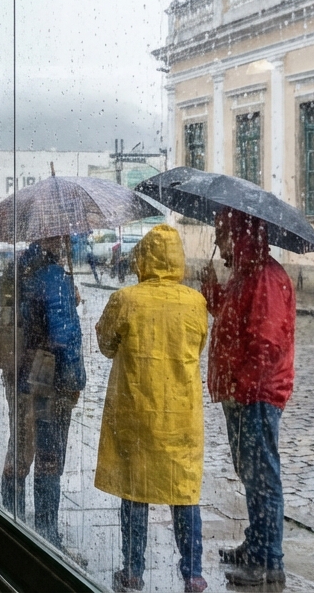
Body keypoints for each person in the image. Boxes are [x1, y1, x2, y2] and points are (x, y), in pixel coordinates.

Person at [95, 225, 209, 593]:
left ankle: (132, 570)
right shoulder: (195, 302)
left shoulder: (126, 300)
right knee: (184, 492)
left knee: (135, 489)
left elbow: (106, 343)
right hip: (180, 415)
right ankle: (192, 573)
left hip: (136, 409)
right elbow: (198, 346)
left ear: (142, 258)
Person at [201, 208, 296, 590]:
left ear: (239, 235)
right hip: (241, 392)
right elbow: (232, 317)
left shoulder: (266, 279)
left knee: (263, 478)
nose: (218, 244)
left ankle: (268, 561)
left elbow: (264, 343)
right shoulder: (246, 275)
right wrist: (212, 292)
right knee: (250, 473)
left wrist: (242, 386)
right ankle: (256, 544)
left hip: (255, 395)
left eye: (221, 236)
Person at [7, 237, 86, 545]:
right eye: (63, 236)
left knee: (20, 445)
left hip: (20, 374)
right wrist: (75, 380)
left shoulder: (17, 269)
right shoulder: (54, 276)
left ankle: (10, 515)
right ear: (54, 239)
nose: (67, 240)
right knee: (50, 453)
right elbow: (64, 335)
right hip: (49, 379)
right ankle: (46, 532)